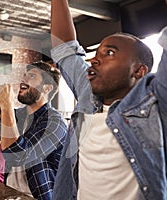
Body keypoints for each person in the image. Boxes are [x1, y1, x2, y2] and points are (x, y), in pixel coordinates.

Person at [50, 0, 167, 199]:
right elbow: (65, 50)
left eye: (109, 53)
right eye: (96, 53)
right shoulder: (89, 94)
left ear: (139, 71)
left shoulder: (156, 102)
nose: (94, 59)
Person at [0, 61, 67, 199]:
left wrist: (6, 106)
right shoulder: (19, 115)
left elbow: (18, 156)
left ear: (47, 88)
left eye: (31, 76)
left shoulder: (55, 123)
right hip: (11, 193)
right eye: (24, 75)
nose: (23, 79)